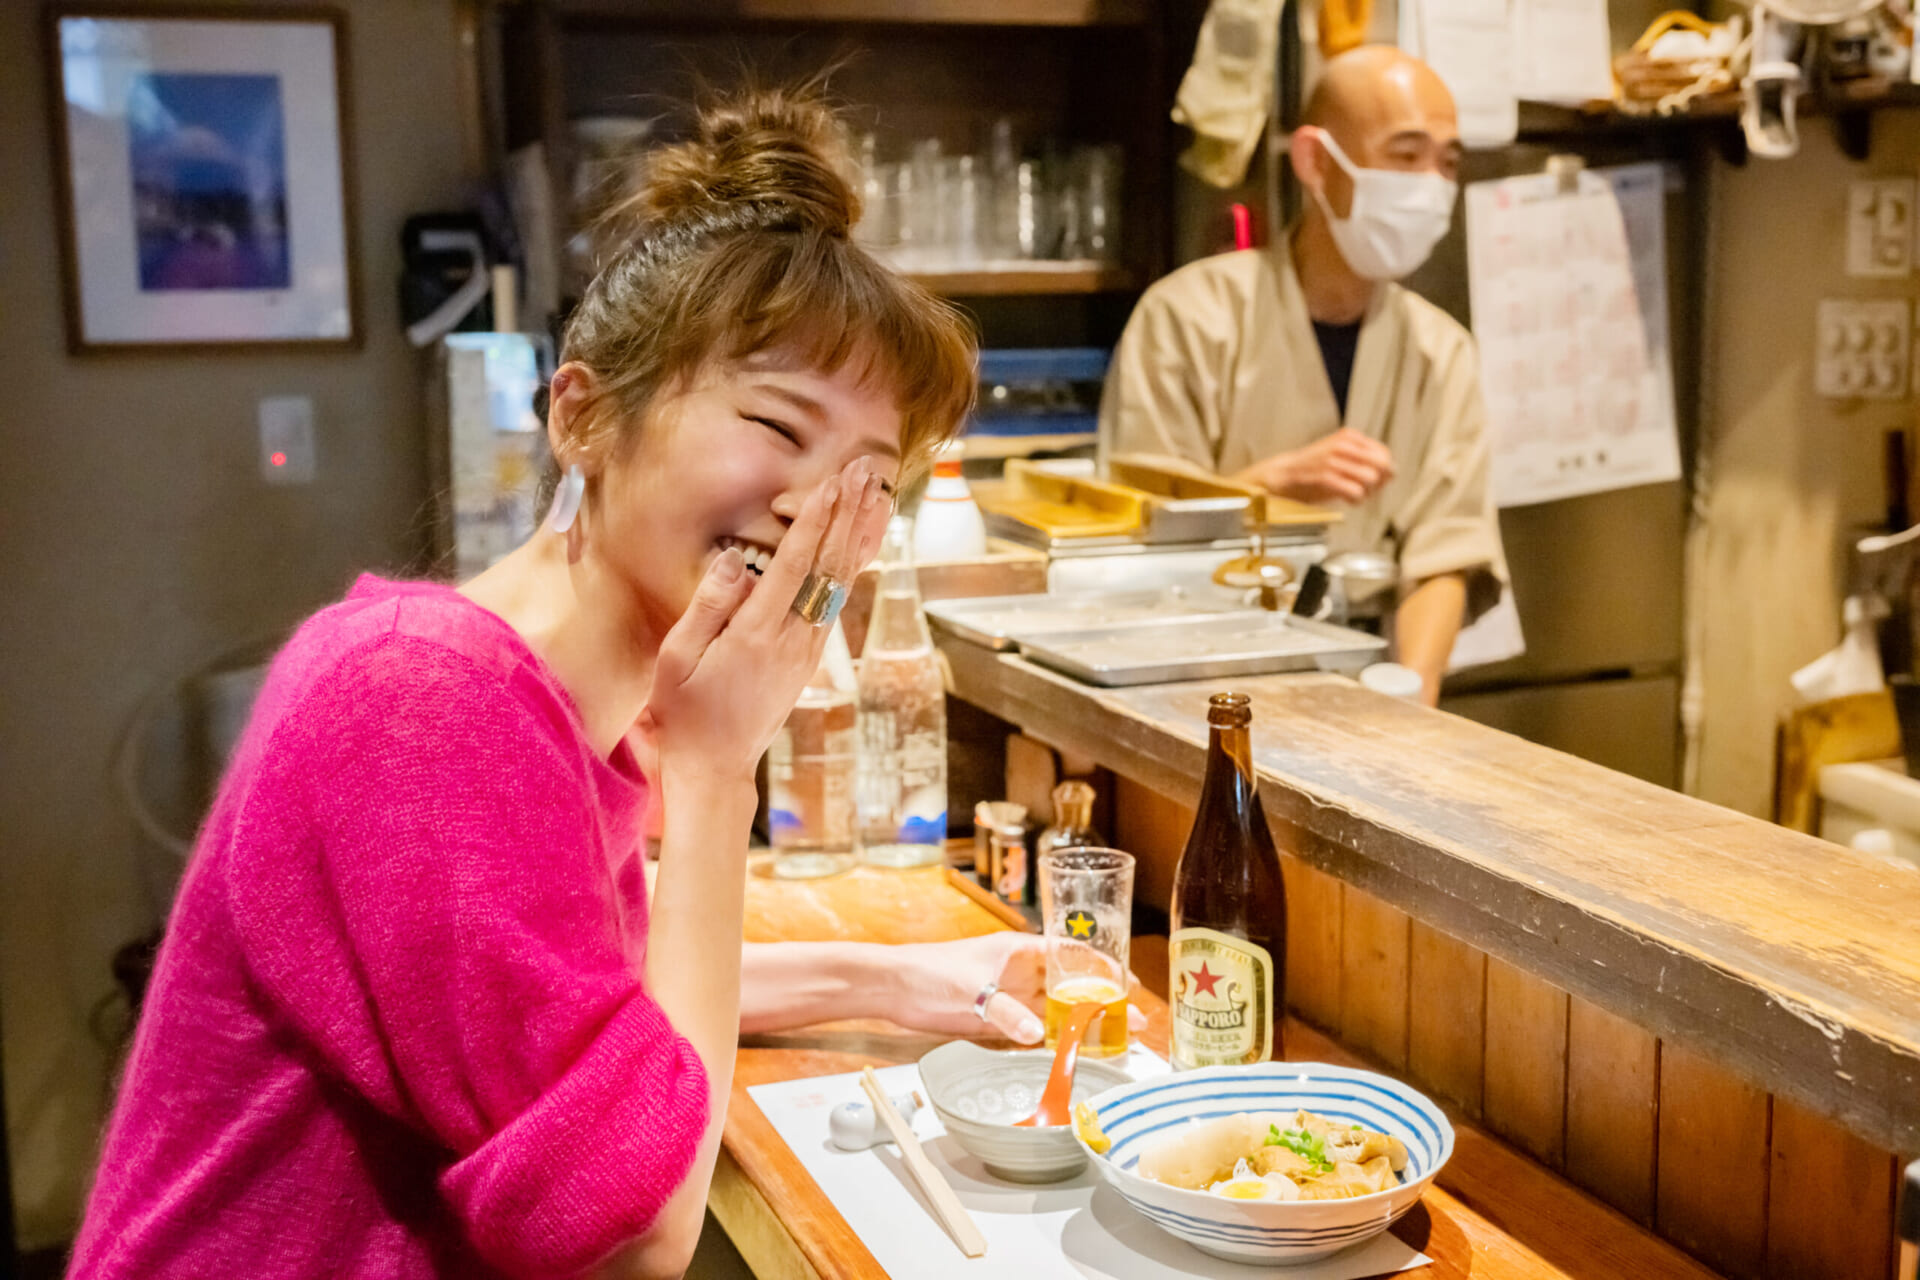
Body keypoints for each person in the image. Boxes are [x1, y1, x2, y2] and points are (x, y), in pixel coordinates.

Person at [70, 87, 1105, 1280]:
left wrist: (891, 977)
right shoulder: (421, 702)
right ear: (582, 415)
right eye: (777, 423)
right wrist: (719, 767)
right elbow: (633, 1232)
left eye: (868, 480)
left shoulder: (560, 711)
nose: (815, 509)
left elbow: (595, 997)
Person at [1099, 46, 1509, 704]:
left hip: (1373, 680)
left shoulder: (1443, 349)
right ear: (1316, 161)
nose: (1431, 185)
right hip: (1199, 680)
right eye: (1406, 156)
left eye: (1447, 162)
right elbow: (1132, 540)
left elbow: (1446, 555)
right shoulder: (1187, 317)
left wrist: (1413, 698)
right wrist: (1271, 488)